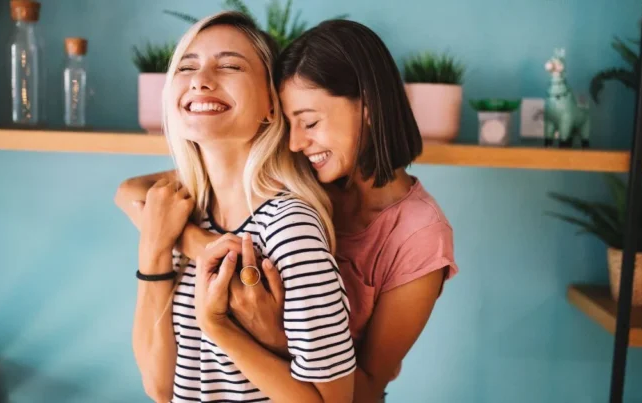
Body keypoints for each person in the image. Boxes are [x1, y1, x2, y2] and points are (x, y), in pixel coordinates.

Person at [117, 18, 458, 403]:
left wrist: (265, 331)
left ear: (368, 107)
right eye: (289, 121)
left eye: (310, 122)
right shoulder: (306, 171)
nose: (295, 143)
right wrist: (200, 245)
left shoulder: (415, 234)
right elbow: (130, 191)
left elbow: (360, 389)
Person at [120, 11, 358, 402]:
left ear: (271, 104)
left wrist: (219, 327)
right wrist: (157, 246)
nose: (200, 79)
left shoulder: (289, 228)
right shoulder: (183, 215)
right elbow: (161, 389)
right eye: (186, 66)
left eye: (230, 65)